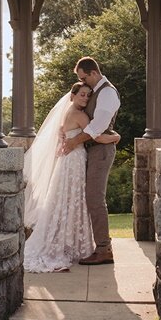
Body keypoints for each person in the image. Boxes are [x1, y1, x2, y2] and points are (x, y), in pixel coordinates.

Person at [23, 81, 119, 273]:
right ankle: (69, 244)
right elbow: (97, 135)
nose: (85, 98)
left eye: (87, 95)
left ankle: (66, 241)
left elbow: (64, 133)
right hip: (74, 160)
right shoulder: (79, 114)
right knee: (74, 199)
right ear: (72, 96)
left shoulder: (68, 114)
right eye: (82, 94)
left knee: (67, 200)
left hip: (69, 160)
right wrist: (116, 137)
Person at [62, 57, 120, 266]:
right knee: (89, 197)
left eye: (83, 77)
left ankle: (104, 249)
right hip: (91, 150)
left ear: (93, 72)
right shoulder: (97, 92)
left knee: (95, 197)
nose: (83, 81)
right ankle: (96, 246)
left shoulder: (107, 93)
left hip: (101, 149)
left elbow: (97, 126)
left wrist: (74, 141)